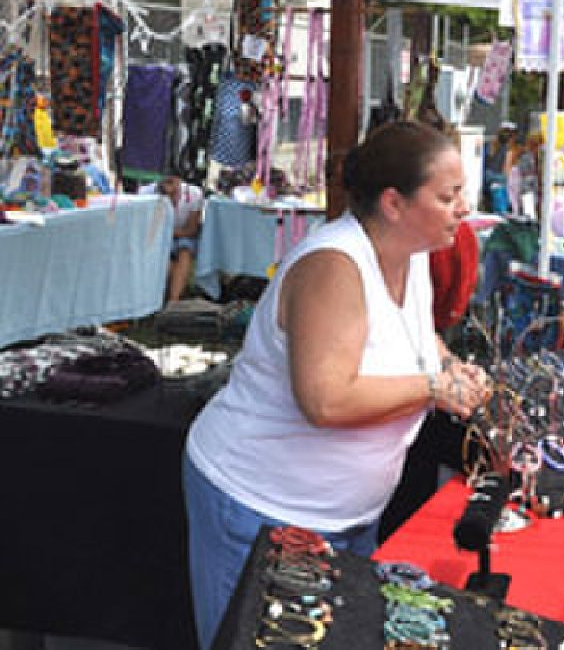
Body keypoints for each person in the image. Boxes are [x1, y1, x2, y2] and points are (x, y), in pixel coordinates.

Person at [182, 121, 493, 649]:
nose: (464, 208)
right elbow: (325, 399)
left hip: (344, 516)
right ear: (394, 203)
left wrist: (450, 366)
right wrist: (433, 388)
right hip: (258, 505)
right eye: (449, 196)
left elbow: (417, 339)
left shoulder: (412, 256)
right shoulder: (334, 267)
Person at [139, 173, 204, 301]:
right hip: (158, 237)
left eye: (172, 179)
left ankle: (173, 301)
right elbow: (146, 229)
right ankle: (168, 298)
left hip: (180, 236)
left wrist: (167, 232)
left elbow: (191, 230)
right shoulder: (146, 194)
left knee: (185, 251)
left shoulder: (194, 193)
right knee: (163, 257)